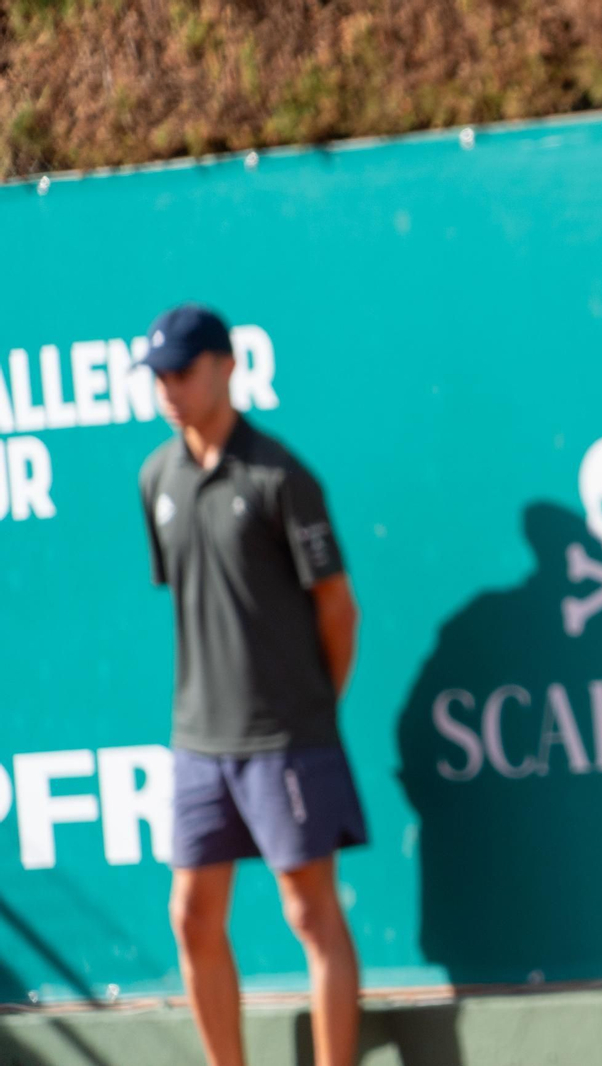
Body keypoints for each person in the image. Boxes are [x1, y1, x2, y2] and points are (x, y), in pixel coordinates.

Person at [137, 304, 366, 1066]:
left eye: (184, 371)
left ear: (226, 366)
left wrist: (308, 709)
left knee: (310, 914)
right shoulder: (156, 478)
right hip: (199, 743)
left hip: (287, 739)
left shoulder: (280, 476)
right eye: (160, 375)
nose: (170, 388)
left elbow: (337, 609)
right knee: (191, 916)